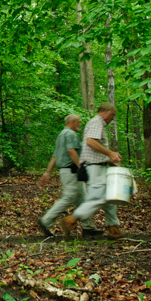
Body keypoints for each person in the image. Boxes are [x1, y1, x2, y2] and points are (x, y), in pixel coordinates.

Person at [59, 102, 124, 239]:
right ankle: (70, 220)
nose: (112, 118)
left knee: (110, 199)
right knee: (97, 198)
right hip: (94, 167)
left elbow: (94, 149)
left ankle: (114, 228)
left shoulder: (98, 124)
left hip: (99, 165)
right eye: (112, 115)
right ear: (106, 111)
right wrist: (110, 153)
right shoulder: (97, 122)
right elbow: (90, 142)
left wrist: (109, 161)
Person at [37, 114, 103, 237]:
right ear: (72, 122)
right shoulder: (71, 134)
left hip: (67, 172)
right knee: (69, 197)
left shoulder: (61, 135)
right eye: (78, 122)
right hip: (71, 171)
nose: (80, 124)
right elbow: (71, 151)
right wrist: (81, 166)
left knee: (82, 199)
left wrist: (48, 172)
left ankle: (88, 227)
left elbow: (55, 156)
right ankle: (45, 221)